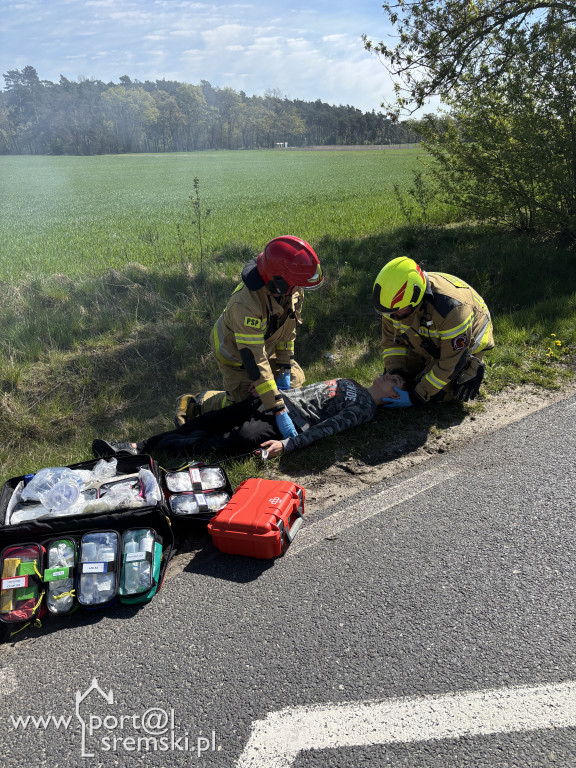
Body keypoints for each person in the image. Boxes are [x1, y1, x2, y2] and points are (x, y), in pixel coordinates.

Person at [174, 236, 323, 442]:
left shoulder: (293, 289)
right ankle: (199, 402)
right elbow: (254, 358)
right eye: (297, 285)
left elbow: (288, 334)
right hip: (235, 355)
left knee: (296, 380)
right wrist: (278, 410)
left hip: (263, 349)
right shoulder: (245, 304)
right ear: (278, 282)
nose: (300, 289)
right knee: (241, 405)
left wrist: (284, 372)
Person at [93, 373, 406, 461]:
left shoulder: (365, 408)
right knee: (212, 419)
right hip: (275, 402)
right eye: (391, 374)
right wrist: (274, 391)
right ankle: (134, 446)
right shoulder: (349, 381)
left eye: (395, 381)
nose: (388, 375)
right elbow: (306, 389)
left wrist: (289, 445)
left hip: (287, 424)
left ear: (393, 396)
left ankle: (181, 447)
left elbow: (328, 428)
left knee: (234, 441)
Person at [373, 257, 494, 407]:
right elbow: (392, 343)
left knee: (436, 393)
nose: (392, 316)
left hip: (466, 342)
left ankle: (473, 363)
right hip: (430, 335)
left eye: (396, 311)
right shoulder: (394, 305)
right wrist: (397, 372)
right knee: (406, 381)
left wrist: (417, 397)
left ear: (416, 297)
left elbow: (450, 362)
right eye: (389, 313)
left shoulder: (452, 310)